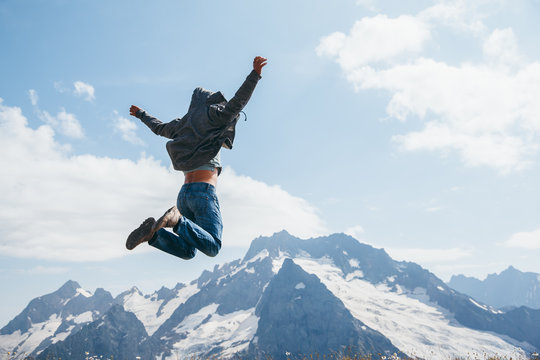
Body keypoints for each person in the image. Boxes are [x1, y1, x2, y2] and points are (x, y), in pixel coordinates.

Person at [126, 56, 267, 260]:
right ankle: (176, 221)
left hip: (184, 196)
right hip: (203, 193)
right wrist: (255, 75)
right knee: (213, 247)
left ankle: (154, 234)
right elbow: (237, 103)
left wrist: (141, 114)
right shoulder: (215, 117)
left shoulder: (181, 125)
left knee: (189, 250)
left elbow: (158, 128)